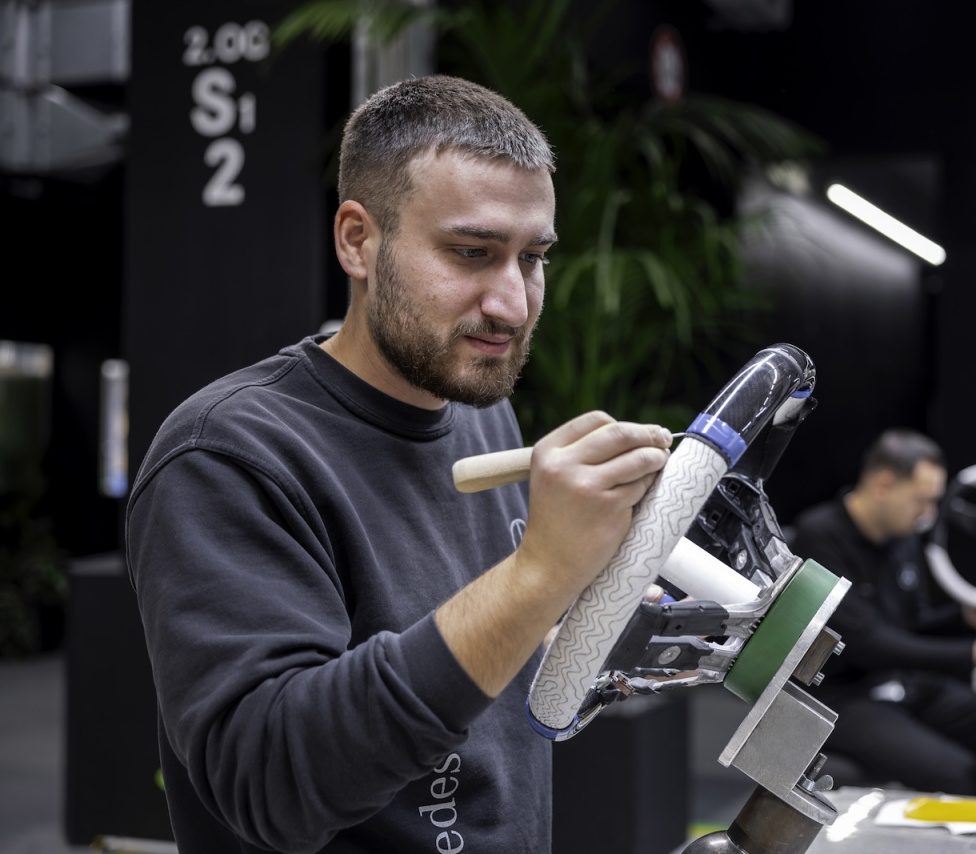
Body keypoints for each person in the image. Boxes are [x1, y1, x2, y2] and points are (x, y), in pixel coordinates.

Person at [125, 75, 675, 853]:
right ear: (358, 240)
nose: (513, 304)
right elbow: (272, 781)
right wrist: (538, 574)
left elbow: (471, 663)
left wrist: (574, 621)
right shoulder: (228, 454)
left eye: (531, 258)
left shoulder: (481, 414)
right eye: (472, 252)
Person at [787, 429, 976, 799]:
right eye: (923, 501)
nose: (929, 515)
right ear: (884, 485)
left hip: (904, 683)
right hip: (842, 699)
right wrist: (974, 652)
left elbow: (909, 629)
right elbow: (866, 643)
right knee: (957, 774)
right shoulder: (819, 536)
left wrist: (966, 617)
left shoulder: (900, 537)